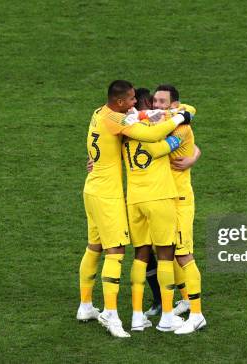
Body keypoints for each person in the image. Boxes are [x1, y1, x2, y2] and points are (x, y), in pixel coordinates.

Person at [78, 80, 191, 338]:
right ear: (119, 103)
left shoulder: (99, 113)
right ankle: (111, 314)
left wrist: (146, 114)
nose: (132, 105)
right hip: (109, 196)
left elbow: (132, 120)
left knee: (93, 247)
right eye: (129, 101)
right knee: (115, 252)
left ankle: (86, 305)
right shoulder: (120, 123)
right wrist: (179, 118)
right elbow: (151, 136)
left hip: (92, 189)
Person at [151, 84, 206, 334]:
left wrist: (194, 156)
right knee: (169, 251)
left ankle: (197, 315)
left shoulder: (180, 126)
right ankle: (185, 299)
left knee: (183, 254)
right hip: (165, 199)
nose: (158, 106)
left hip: (180, 199)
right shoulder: (168, 120)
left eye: (163, 102)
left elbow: (156, 146)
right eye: (155, 102)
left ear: (174, 105)